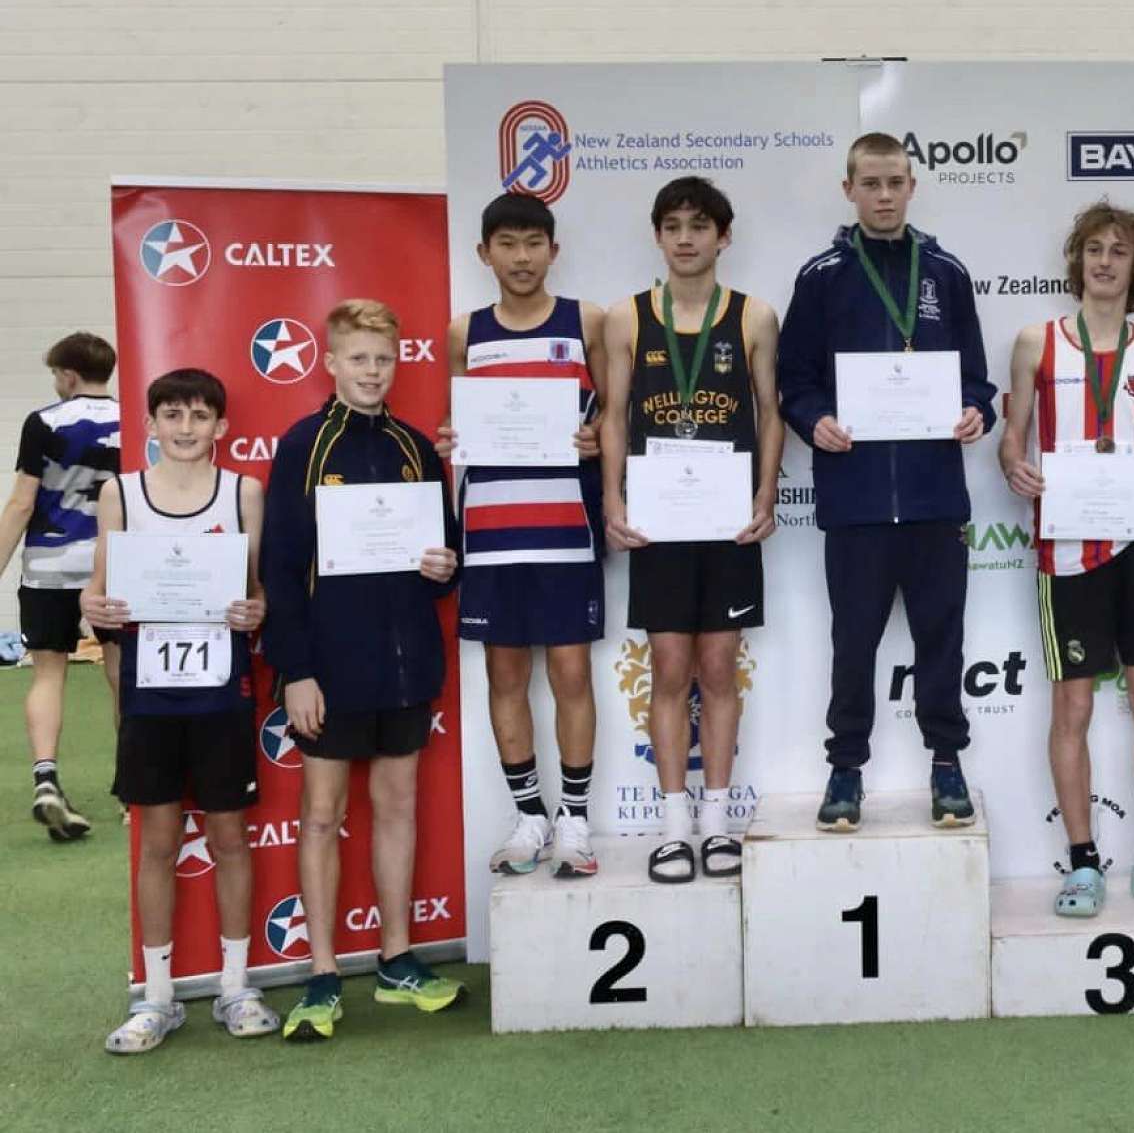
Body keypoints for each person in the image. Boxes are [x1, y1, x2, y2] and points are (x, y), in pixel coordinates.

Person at [777, 131, 996, 831]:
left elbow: (976, 379)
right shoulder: (821, 277)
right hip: (857, 500)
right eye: (870, 184)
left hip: (935, 499)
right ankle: (845, 768)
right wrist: (815, 421)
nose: (883, 196)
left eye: (895, 182)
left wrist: (976, 411)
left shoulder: (947, 273)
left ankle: (946, 763)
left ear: (912, 187)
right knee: (854, 642)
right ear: (848, 190)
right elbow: (793, 382)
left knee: (942, 638)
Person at [260, 299, 464, 1040]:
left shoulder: (415, 448)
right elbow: (281, 568)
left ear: (397, 362)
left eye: (383, 359)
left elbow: (443, 556)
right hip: (329, 666)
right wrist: (297, 671)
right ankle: (320, 973)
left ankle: (396, 959)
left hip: (405, 660)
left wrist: (444, 567)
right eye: (359, 359)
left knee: (398, 806)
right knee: (321, 814)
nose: (372, 372)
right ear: (331, 362)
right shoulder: (303, 445)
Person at [998, 201, 1134, 918]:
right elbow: (1012, 438)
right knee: (1074, 704)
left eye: (1119, 251)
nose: (1105, 262)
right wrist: (1014, 465)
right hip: (1068, 545)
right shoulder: (1036, 341)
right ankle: (1082, 864)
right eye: (1094, 250)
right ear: (1077, 260)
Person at [82, 368, 280, 1051]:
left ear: (221, 426)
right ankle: (158, 997)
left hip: (222, 693)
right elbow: (97, 590)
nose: (186, 428)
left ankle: (236, 986)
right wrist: (94, 605)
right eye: (172, 415)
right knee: (158, 843)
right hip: (150, 695)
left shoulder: (243, 491)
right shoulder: (121, 493)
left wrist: (255, 611)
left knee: (229, 839)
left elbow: (256, 592)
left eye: (199, 416)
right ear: (151, 424)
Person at [601, 177, 780, 882]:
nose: (685, 238)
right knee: (670, 669)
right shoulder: (626, 318)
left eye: (699, 226)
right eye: (673, 226)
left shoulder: (754, 315)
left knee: (720, 669)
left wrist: (766, 492)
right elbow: (614, 416)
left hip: (727, 519)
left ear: (723, 237)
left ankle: (717, 820)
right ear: (657, 236)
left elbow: (770, 412)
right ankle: (674, 824)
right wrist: (612, 499)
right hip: (660, 519)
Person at [443, 193, 607, 881]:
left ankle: (574, 818)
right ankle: (529, 815)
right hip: (491, 531)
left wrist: (598, 441)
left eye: (533, 243)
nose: (521, 257)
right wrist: (453, 438)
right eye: (507, 244)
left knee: (571, 674)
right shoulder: (465, 332)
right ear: (484, 253)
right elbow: (460, 423)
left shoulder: (586, 320)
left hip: (565, 530)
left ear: (553, 250)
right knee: (504, 676)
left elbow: (612, 416)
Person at [2, 331, 121, 840]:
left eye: (55, 374)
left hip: (48, 564)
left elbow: (21, 503)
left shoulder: (43, 422)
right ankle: (133, 792)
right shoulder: (133, 420)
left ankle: (46, 778)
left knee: (48, 674)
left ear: (68, 375)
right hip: (113, 562)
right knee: (121, 673)